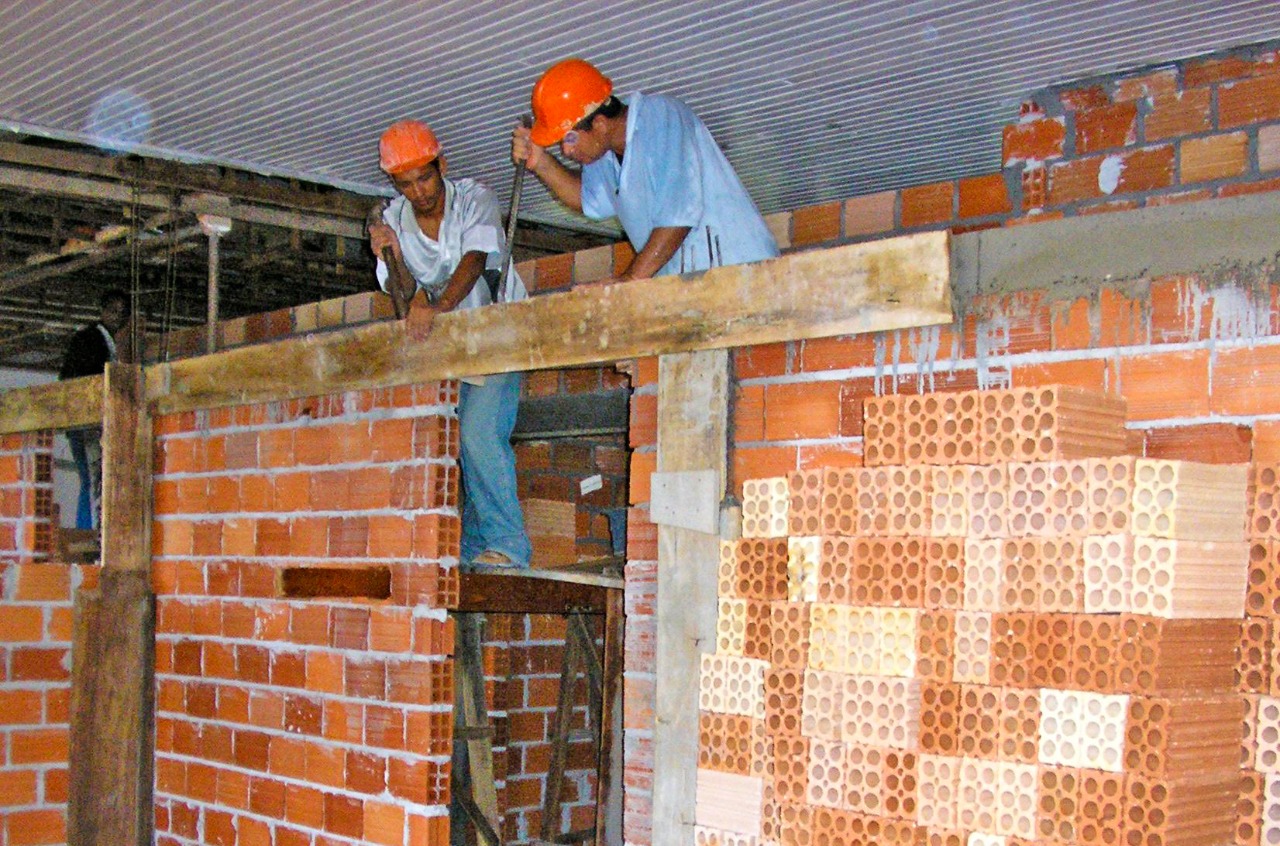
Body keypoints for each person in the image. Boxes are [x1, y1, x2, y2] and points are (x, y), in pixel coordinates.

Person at [369, 119, 532, 570]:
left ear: (441, 164)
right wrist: (392, 253)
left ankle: (510, 544)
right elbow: (402, 291)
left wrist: (438, 309)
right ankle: (476, 544)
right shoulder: (395, 220)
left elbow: (475, 260)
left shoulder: (474, 198)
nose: (419, 192)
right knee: (458, 440)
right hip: (448, 350)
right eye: (406, 184)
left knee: (480, 434)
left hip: (497, 334)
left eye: (425, 177)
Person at [511, 58, 779, 282]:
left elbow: (678, 216)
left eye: (569, 139)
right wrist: (541, 163)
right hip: (695, 285)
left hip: (743, 271)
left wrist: (629, 280)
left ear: (601, 124)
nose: (567, 151)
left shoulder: (660, 118)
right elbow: (588, 200)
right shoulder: (602, 155)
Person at [59, 289, 129, 529]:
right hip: (86, 422)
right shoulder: (91, 339)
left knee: (92, 480)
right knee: (92, 481)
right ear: (102, 311)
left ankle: (88, 532)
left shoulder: (103, 340)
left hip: (84, 422)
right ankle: (87, 533)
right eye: (113, 311)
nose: (117, 317)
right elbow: (85, 380)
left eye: (122, 313)